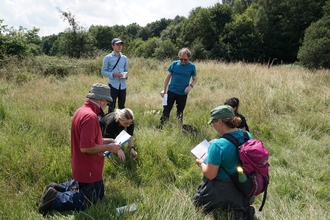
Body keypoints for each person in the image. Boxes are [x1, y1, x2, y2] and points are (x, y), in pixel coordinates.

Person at [38, 83, 122, 216]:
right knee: (92, 201)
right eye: (106, 103)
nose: (106, 106)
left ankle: (57, 188)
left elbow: (88, 140)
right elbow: (86, 147)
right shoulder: (90, 117)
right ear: (101, 100)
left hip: (82, 166)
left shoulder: (81, 111)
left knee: (98, 194)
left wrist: (109, 141)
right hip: (89, 168)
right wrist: (108, 147)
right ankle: (54, 198)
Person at [193, 105, 254, 219]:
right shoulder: (247, 135)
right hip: (244, 186)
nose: (212, 126)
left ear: (220, 122)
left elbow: (211, 175)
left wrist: (201, 162)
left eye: (213, 123)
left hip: (222, 188)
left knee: (197, 203)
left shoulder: (218, 145)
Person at [159, 48, 197, 128]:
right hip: (171, 91)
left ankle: (178, 128)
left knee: (180, 112)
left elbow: (195, 79)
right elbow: (167, 78)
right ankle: (161, 127)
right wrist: (164, 89)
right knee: (166, 110)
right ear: (179, 57)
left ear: (189, 58)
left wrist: (190, 86)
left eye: (185, 60)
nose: (183, 61)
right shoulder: (174, 64)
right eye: (181, 59)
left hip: (183, 93)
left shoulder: (192, 66)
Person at [101, 38, 129, 113]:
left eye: (121, 45)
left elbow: (126, 70)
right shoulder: (107, 58)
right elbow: (103, 71)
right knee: (111, 106)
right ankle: (110, 123)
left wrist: (125, 75)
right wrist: (113, 74)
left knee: (122, 106)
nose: (119, 46)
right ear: (113, 46)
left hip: (123, 85)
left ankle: (121, 123)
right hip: (113, 85)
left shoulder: (124, 58)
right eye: (117, 44)